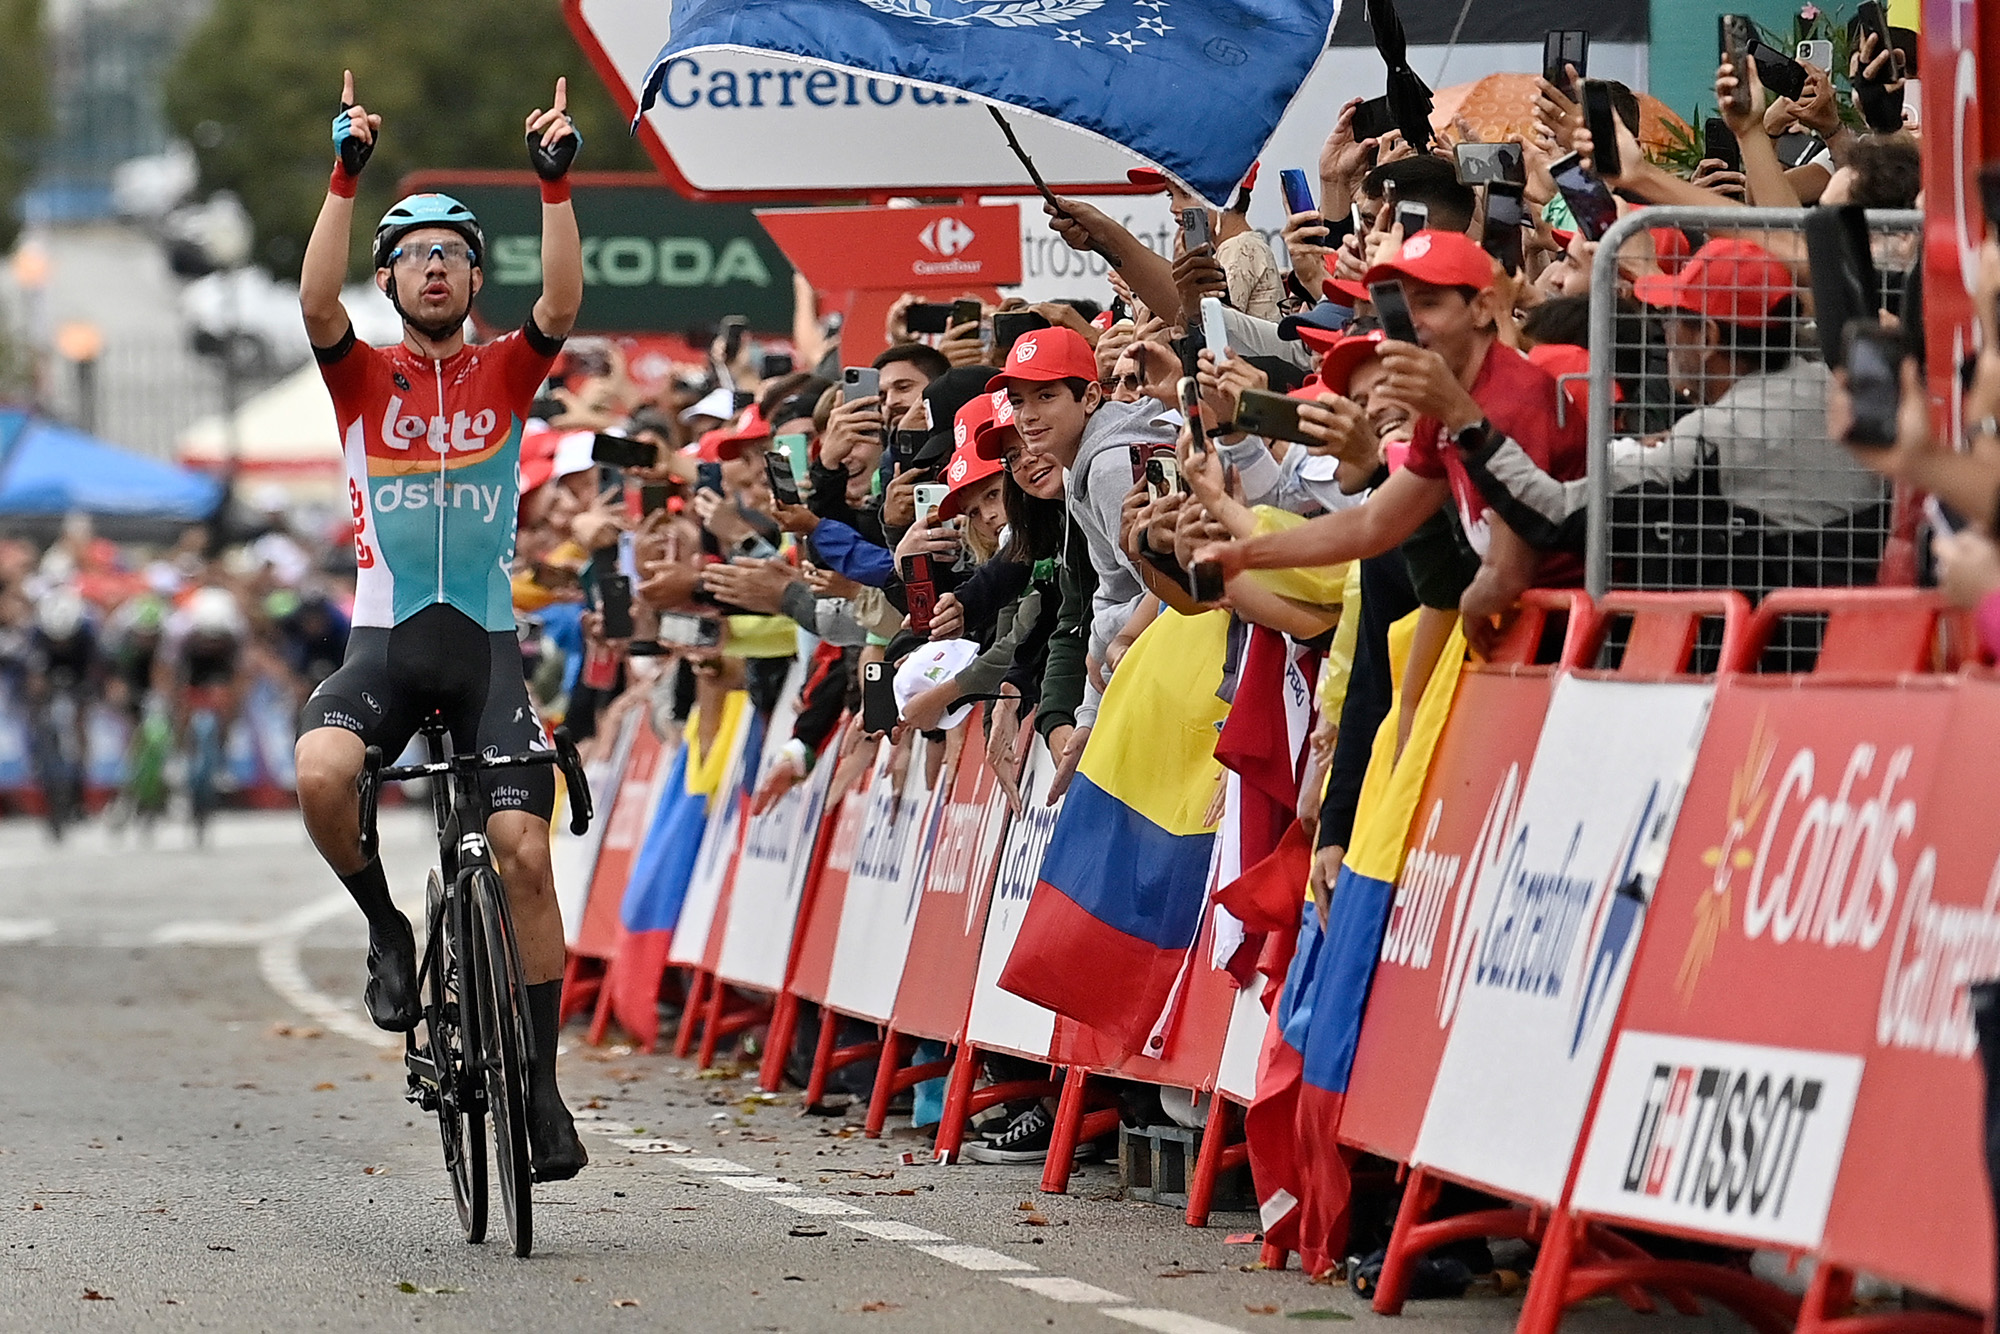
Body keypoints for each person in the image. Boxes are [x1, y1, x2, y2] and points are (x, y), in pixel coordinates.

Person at [292, 69, 588, 1181]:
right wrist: (345, 174)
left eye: (453, 254)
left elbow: (561, 304)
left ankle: (544, 1094)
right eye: (413, 253)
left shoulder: (506, 371)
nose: (432, 265)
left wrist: (551, 187)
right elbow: (314, 303)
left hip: (485, 651)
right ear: (390, 276)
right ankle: (385, 924)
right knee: (324, 772)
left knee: (522, 855)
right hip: (383, 644)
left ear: (473, 277)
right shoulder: (359, 375)